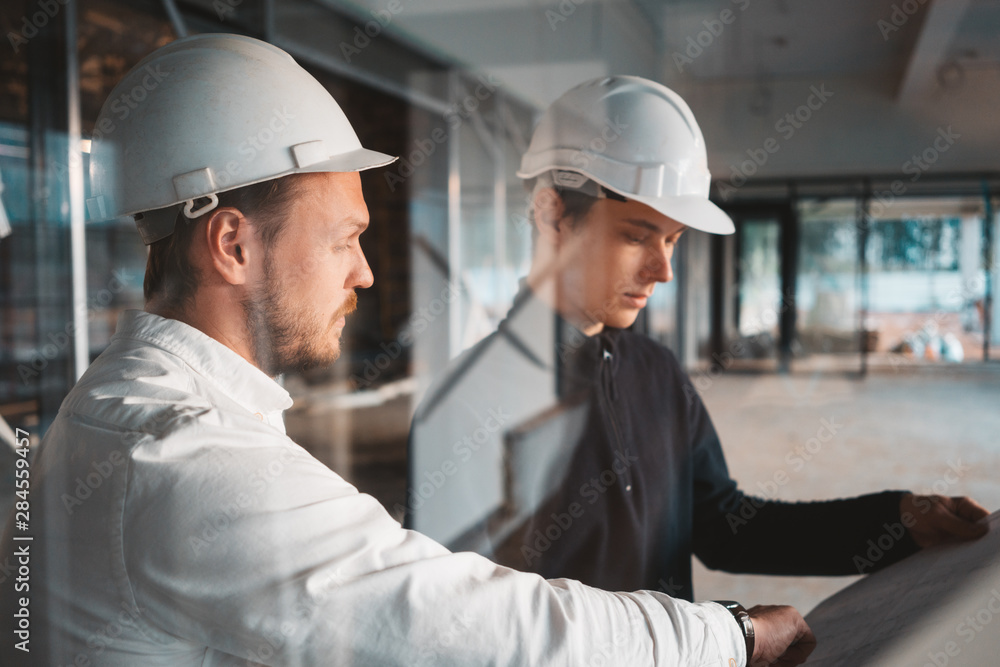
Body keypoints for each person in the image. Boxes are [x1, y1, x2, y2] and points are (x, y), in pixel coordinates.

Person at [0, 35, 815, 667]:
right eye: (346, 237)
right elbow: (481, 626)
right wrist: (727, 637)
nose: (366, 269)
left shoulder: (126, 409)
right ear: (233, 246)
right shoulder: (180, 457)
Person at [406, 76, 990, 601]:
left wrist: (895, 521)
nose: (663, 271)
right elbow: (459, 622)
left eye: (674, 240)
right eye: (638, 237)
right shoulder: (465, 404)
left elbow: (727, 528)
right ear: (553, 214)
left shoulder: (656, 371)